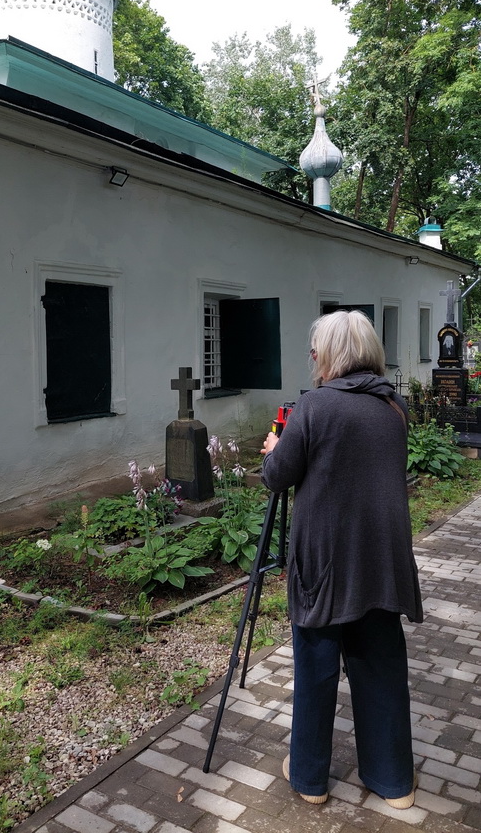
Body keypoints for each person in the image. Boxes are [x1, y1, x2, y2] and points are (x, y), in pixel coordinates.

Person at [261, 310, 423, 809]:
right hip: (381, 560)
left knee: (316, 665)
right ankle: (394, 783)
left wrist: (274, 447)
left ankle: (310, 779)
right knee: (381, 667)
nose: (313, 360)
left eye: (316, 352)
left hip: (326, 561)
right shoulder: (394, 407)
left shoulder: (315, 406)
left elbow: (277, 476)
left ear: (328, 355)